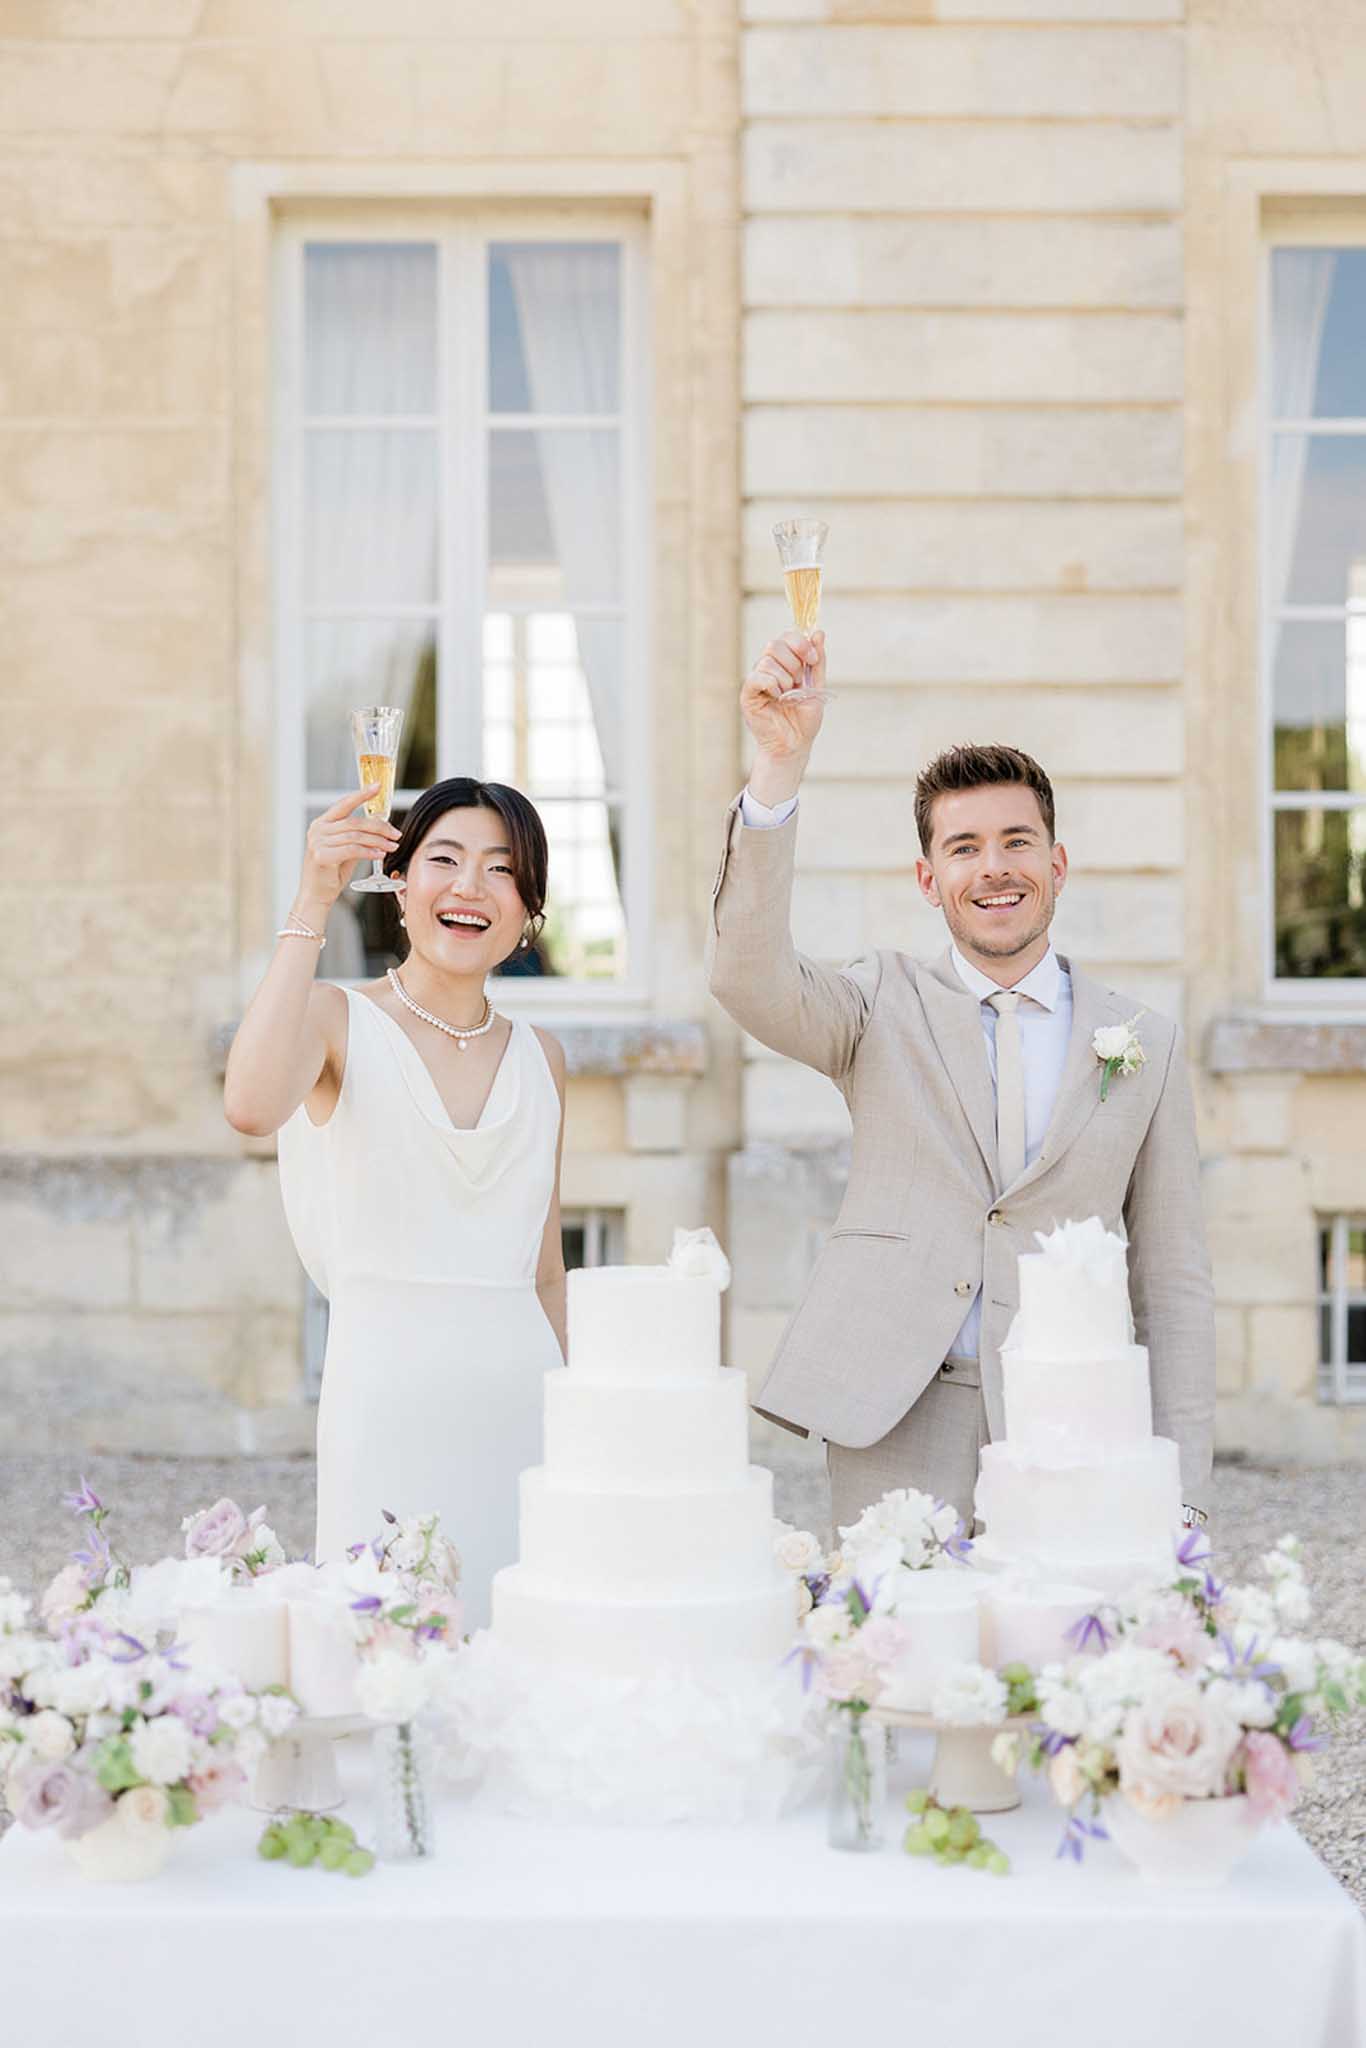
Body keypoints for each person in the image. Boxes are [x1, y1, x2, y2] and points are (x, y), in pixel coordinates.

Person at [707, 628, 1215, 1536]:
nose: (994, 868)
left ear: (1056, 866)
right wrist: (778, 771)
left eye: (1017, 842)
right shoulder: (874, 1003)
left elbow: (1172, 1280)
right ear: (928, 878)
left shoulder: (1146, 1041)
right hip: (898, 1412)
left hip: (1075, 1420)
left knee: (1061, 1666)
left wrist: (1181, 1491)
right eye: (965, 847)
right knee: (901, 1661)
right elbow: (746, 974)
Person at [225, 776, 567, 1628]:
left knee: (520, 1646)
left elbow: (548, 1272)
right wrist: (312, 898)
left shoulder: (543, 1056)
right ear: (401, 886)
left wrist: (582, 1423)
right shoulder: (336, 1020)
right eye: (444, 860)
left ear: (528, 909)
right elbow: (251, 1106)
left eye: (501, 869)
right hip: (386, 1397)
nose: (469, 887)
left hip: (524, 1405)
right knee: (380, 1647)